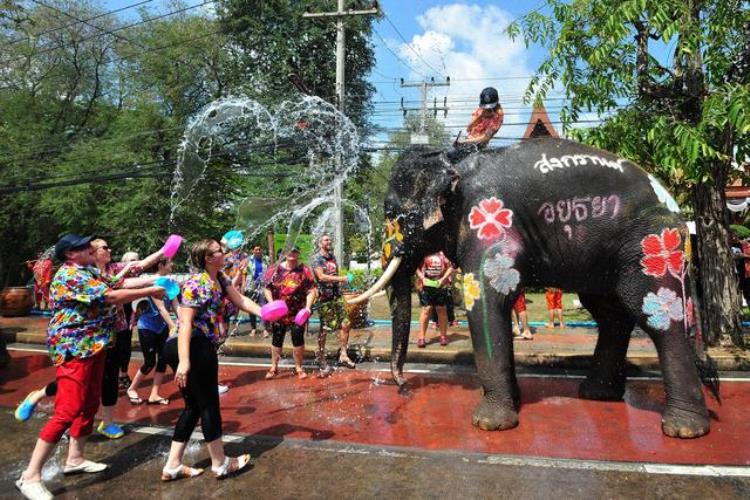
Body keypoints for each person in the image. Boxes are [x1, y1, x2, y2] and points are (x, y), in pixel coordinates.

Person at [15, 234, 164, 500]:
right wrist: (151, 291)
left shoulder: (89, 270)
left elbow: (118, 281)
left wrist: (158, 278)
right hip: (74, 347)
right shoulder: (70, 274)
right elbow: (110, 296)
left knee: (88, 404)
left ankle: (75, 459)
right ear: (71, 254)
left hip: (95, 345)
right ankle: (30, 476)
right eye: (84, 246)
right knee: (67, 410)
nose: (90, 248)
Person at [14, 245, 163, 431]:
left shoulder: (111, 270)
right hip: (87, 338)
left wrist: (164, 257)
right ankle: (42, 399)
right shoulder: (82, 274)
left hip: (116, 330)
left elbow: (138, 268)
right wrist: (150, 289)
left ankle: (107, 423)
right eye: (103, 248)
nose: (108, 250)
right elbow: (111, 295)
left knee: (109, 378)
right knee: (79, 382)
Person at [162, 239, 261, 481]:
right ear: (207, 258)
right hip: (191, 347)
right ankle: (220, 463)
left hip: (197, 347)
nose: (224, 252)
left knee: (194, 406)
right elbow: (185, 322)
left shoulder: (221, 278)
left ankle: (172, 465)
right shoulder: (197, 284)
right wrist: (185, 361)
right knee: (209, 405)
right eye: (219, 251)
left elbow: (241, 301)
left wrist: (266, 312)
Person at [125, 257, 177, 406]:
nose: (172, 264)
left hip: (161, 327)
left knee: (162, 360)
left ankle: (154, 394)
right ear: (161, 265)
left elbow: (175, 304)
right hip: (147, 327)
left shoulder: (170, 282)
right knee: (149, 362)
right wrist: (173, 326)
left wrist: (183, 322)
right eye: (169, 262)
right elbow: (161, 308)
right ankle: (132, 388)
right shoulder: (154, 283)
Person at [262, 246, 316, 380]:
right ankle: (274, 367)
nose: (292, 254)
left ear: (298, 254)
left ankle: (299, 367)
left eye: (295, 251)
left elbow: (311, 290)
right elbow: (267, 288)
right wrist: (271, 303)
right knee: (277, 339)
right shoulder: (274, 269)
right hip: (278, 312)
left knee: (298, 340)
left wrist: (308, 308)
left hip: (298, 313)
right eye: (289, 251)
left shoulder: (304, 270)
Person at [312, 234, 355, 376]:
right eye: (325, 240)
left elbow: (334, 273)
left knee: (346, 323)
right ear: (320, 243)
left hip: (336, 296)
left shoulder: (332, 257)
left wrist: (342, 283)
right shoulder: (316, 258)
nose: (329, 241)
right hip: (324, 298)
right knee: (325, 328)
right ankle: (321, 356)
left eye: (330, 239)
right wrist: (341, 278)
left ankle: (343, 354)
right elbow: (321, 277)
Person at [416, 251, 454, 347]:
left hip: (441, 285)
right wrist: (422, 278)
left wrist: (443, 279)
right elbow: (416, 268)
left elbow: (450, 267)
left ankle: (443, 336)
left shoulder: (444, 253)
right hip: (426, 286)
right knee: (426, 309)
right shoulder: (423, 251)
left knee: (441, 309)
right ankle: (421, 337)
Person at [246, 245, 269, 338]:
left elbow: (270, 270)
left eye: (260, 249)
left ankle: (264, 329)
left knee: (263, 306)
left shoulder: (266, 259)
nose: (258, 251)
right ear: (252, 251)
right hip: (251, 286)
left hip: (263, 286)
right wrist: (243, 286)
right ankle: (253, 328)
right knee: (251, 307)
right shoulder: (248, 260)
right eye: (256, 249)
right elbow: (245, 273)